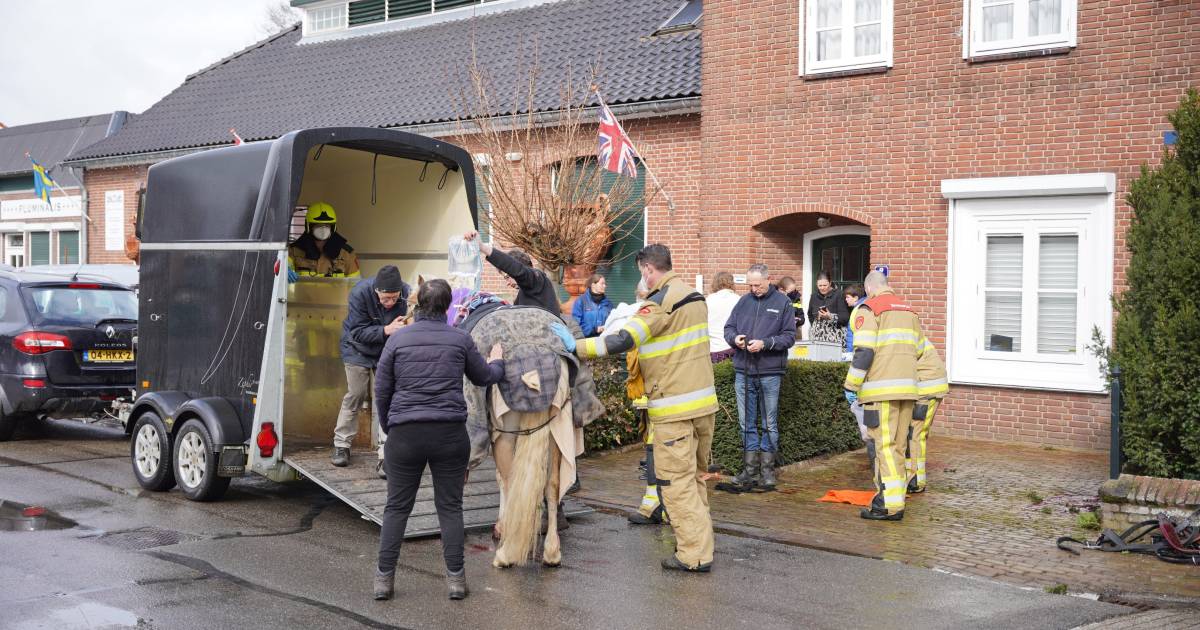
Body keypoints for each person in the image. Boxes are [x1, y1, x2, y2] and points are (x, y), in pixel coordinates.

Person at [552, 244, 716, 573]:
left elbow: (621, 340)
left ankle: (693, 555)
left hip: (674, 409)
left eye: (642, 272)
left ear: (647, 269)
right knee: (695, 478)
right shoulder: (695, 298)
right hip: (703, 404)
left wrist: (575, 345)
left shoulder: (657, 304)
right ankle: (701, 545)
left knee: (675, 483)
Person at [373, 279, 504, 601]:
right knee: (450, 508)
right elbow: (484, 378)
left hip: (405, 434)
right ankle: (456, 582)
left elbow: (382, 389)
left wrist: (391, 428)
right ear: (448, 308)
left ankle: (383, 582)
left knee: (396, 509)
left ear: (417, 305)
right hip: (449, 434)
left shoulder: (398, 340)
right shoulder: (460, 339)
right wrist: (498, 360)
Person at [843, 271, 922, 521]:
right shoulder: (909, 310)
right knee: (899, 446)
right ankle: (894, 501)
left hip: (881, 391)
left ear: (869, 290)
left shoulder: (870, 309)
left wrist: (851, 384)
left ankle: (888, 506)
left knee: (884, 446)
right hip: (908, 389)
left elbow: (864, 352)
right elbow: (919, 350)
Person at [718, 264, 796, 492]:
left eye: (757, 285)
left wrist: (766, 344)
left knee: (769, 423)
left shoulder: (783, 303)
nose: (753, 289)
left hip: (770, 371)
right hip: (743, 370)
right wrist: (736, 340)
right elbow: (728, 328)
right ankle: (749, 471)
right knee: (746, 423)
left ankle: (767, 471)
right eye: (750, 285)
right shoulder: (743, 302)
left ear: (768, 279)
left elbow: (789, 337)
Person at [331, 266, 410, 476]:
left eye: (394, 298)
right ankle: (342, 445)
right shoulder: (359, 293)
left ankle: (386, 455)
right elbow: (357, 332)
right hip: (356, 347)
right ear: (376, 291)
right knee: (356, 394)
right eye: (385, 299)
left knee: (384, 398)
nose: (390, 303)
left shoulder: (408, 293)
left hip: (385, 351)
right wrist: (386, 329)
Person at [462, 230, 559, 315]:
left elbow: (517, 270)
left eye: (508, 276)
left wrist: (482, 247)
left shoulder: (537, 280)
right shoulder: (525, 291)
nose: (508, 283)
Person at [908, 335, 949, 494]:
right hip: (930, 385)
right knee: (916, 434)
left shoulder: (901, 338)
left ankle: (916, 480)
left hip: (925, 389)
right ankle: (912, 476)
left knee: (916, 434)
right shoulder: (909, 332)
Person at [288, 202, 361, 279]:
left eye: (327, 225)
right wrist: (285, 271)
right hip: (304, 291)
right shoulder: (294, 251)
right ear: (309, 227)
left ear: (333, 228)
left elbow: (355, 284)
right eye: (318, 225)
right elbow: (283, 270)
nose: (323, 230)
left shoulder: (347, 254)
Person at [706, 271, 739, 363]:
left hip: (715, 347)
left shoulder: (708, 300)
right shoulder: (738, 299)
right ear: (731, 283)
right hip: (733, 346)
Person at [807, 271, 849, 343]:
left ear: (830, 283)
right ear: (816, 284)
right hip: (816, 339)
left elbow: (845, 318)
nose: (822, 288)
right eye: (820, 286)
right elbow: (810, 315)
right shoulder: (814, 296)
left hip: (835, 339)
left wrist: (831, 317)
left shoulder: (839, 295)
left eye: (825, 285)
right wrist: (816, 324)